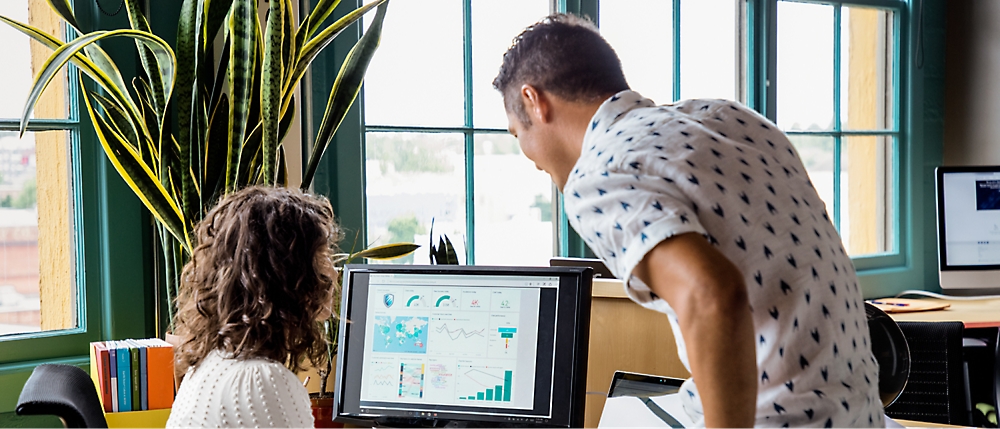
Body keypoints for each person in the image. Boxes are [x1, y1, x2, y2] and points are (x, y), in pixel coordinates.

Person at [494, 14, 883, 428]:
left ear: (534, 100)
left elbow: (711, 296)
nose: (531, 159)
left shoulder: (598, 175)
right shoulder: (731, 120)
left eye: (518, 134)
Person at [166, 186, 340, 428]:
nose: (332, 271)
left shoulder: (208, 365)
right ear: (288, 274)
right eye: (322, 256)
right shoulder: (260, 380)